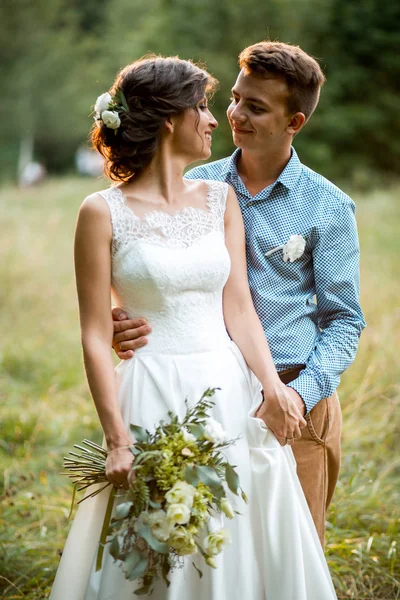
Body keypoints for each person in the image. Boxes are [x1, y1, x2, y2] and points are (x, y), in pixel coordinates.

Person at [50, 55, 337, 600]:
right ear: (166, 121)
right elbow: (92, 330)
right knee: (157, 546)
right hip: (150, 390)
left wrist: (272, 385)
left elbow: (239, 308)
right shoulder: (99, 211)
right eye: (203, 106)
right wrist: (116, 438)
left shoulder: (219, 199)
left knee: (239, 535)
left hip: (229, 390)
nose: (217, 119)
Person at [112, 41, 366, 545]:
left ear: (294, 122)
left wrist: (297, 394)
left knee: (292, 553)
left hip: (294, 401)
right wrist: (124, 317)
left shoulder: (329, 206)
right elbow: (158, 271)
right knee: (213, 551)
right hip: (208, 398)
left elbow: (345, 321)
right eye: (233, 98)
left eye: (256, 107)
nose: (234, 114)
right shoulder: (197, 184)